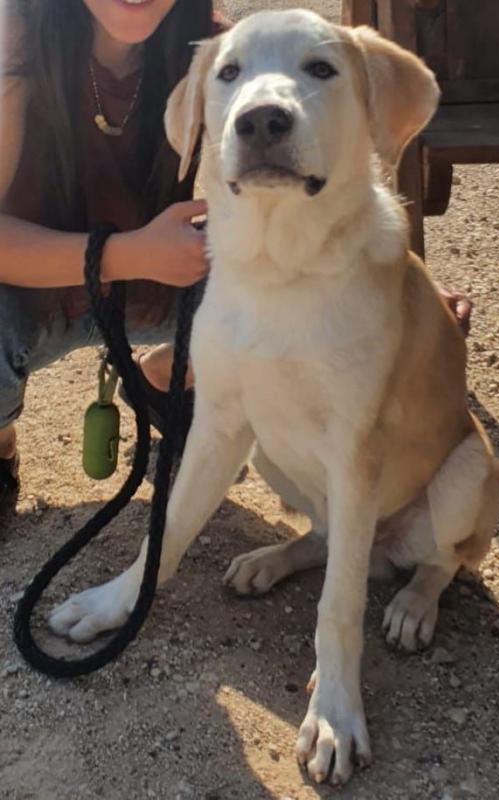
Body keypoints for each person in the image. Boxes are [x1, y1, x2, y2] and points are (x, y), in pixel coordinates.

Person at [0, 0, 471, 513]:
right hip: (34, 291)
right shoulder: (14, 41)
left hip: (165, 273)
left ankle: (165, 374)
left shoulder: (223, 51)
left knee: (308, 286)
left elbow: (323, 188)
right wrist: (127, 255)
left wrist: (398, 283)